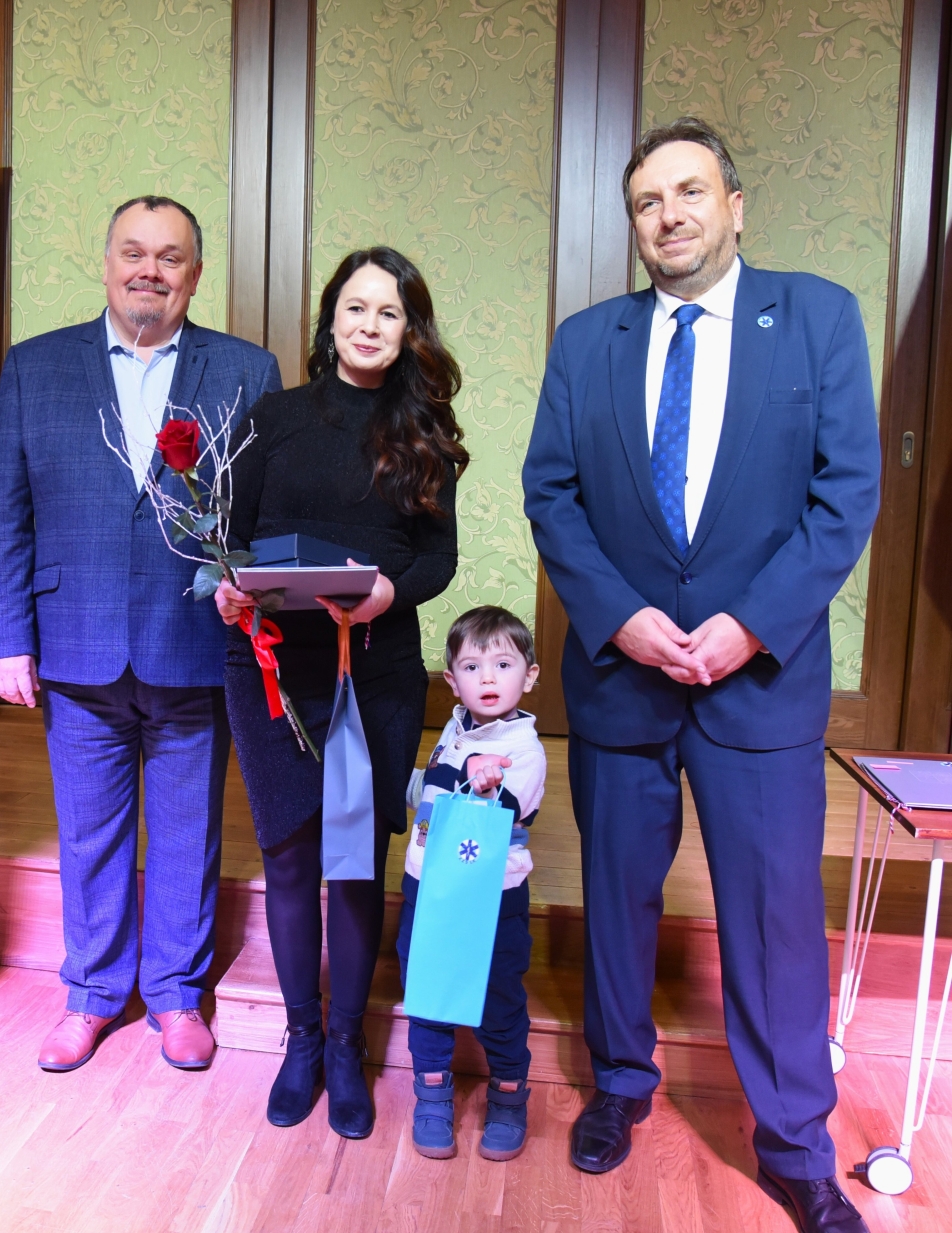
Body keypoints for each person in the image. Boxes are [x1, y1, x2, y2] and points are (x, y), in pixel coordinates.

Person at [522, 118, 880, 1233]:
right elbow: (551, 494)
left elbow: (845, 493)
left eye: (688, 192)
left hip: (757, 685)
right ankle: (620, 1083)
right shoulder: (586, 341)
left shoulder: (817, 318)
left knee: (775, 918)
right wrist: (620, 618)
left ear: (735, 205)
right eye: (647, 201)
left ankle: (795, 1143)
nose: (667, 215)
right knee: (617, 902)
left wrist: (752, 625)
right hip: (622, 678)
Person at [0, 196, 281, 1074]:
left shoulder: (246, 371)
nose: (150, 270)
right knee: (89, 832)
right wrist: (6, 636)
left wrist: (257, 598)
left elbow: (265, 511)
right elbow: (2, 511)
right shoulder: (35, 367)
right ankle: (93, 992)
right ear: (106, 262)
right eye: (134, 253)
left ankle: (177, 994)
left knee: (187, 830)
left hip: (194, 639)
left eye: (170, 256)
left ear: (196, 273)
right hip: (76, 639)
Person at [214, 246, 467, 1140]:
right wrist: (226, 588)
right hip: (274, 667)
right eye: (355, 308)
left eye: (389, 313)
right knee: (289, 854)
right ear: (329, 320)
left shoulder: (425, 432)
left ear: (409, 331)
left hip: (377, 670)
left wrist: (389, 594)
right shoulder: (273, 419)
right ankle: (300, 1038)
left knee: (355, 858)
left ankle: (348, 1042)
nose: (369, 325)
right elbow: (229, 539)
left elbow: (439, 558)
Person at [397, 606, 545, 1162]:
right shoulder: (453, 732)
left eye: (503, 664)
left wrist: (482, 782)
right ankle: (432, 1090)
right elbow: (429, 793)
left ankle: (508, 1093)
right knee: (427, 989)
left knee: (498, 996)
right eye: (472, 666)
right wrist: (390, 776)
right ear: (451, 681)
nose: (488, 677)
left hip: (491, 897)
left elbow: (504, 804)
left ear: (528, 676)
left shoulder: (524, 749)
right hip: (429, 886)